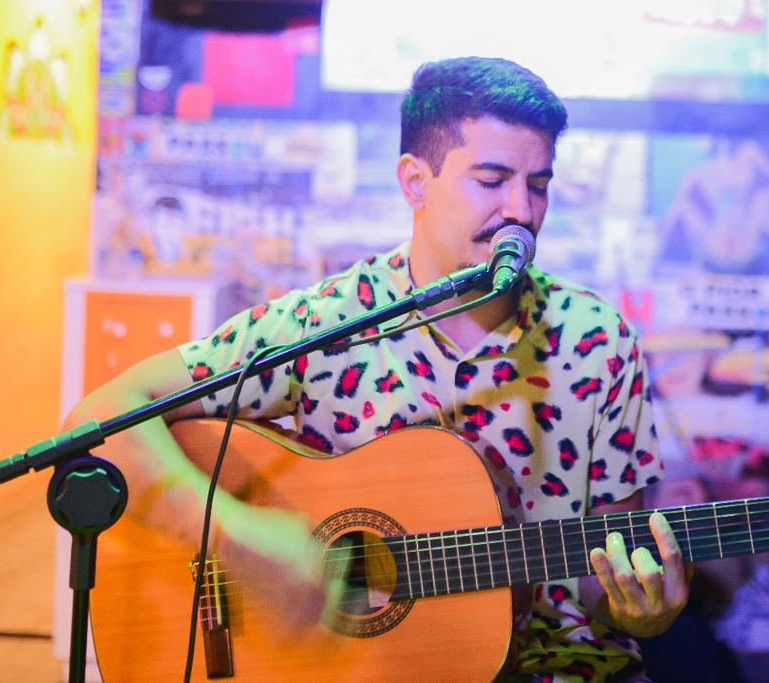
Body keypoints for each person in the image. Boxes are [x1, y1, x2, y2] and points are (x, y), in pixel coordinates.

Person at [66, 56, 688, 682]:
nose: (522, 211)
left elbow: (609, 575)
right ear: (415, 182)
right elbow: (101, 415)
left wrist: (641, 611)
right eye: (492, 180)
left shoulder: (598, 340)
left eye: (539, 183)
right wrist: (242, 543)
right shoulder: (329, 320)